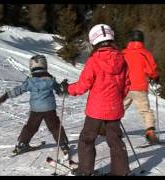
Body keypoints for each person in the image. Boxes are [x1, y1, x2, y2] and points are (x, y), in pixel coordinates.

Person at [61, 24, 131, 176]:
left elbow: (83, 85)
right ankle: (121, 172)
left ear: (94, 41)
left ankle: (85, 171)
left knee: (87, 139)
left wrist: (68, 89)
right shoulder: (122, 60)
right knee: (115, 140)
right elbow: (126, 85)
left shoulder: (94, 61)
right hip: (114, 109)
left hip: (96, 110)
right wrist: (117, 98)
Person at [0, 55, 71, 158]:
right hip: (49, 109)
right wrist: (63, 87)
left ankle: (22, 144)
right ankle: (63, 144)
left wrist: (6, 95)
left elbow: (19, 90)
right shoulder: (50, 80)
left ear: (31, 66)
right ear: (45, 65)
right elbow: (61, 92)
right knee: (55, 127)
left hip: (36, 110)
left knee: (31, 127)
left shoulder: (30, 81)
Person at [122, 30, 160, 145]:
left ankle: (106, 127)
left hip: (125, 86)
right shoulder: (145, 53)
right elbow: (152, 70)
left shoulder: (123, 53)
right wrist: (155, 76)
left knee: (118, 108)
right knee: (145, 111)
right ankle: (150, 132)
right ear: (142, 40)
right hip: (139, 87)